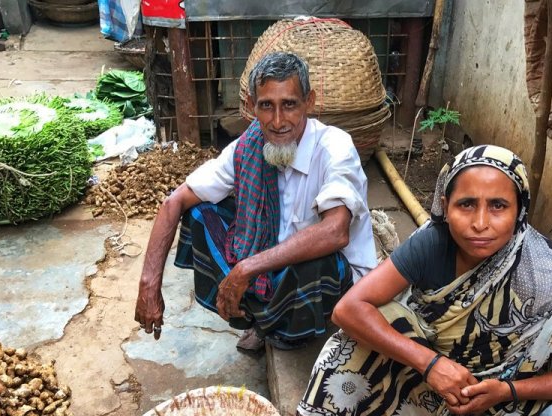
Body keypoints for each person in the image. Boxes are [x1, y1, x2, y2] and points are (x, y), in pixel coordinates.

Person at [255, 144, 552, 416]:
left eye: (498, 206)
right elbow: (348, 309)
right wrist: (431, 365)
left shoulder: (545, 275)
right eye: (466, 204)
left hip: (499, 402)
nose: (480, 223)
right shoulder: (433, 243)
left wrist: (507, 390)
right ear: (446, 207)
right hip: (422, 378)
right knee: (369, 324)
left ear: (520, 211)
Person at [135, 52, 377, 350]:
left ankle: (284, 328)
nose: (277, 121)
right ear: (251, 107)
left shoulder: (334, 147)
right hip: (272, 269)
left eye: (289, 105)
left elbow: (336, 231)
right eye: (266, 106)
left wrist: (247, 268)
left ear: (309, 103)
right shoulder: (247, 147)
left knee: (316, 264)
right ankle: (263, 319)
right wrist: (149, 284)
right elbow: (175, 201)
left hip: (334, 283)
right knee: (200, 215)